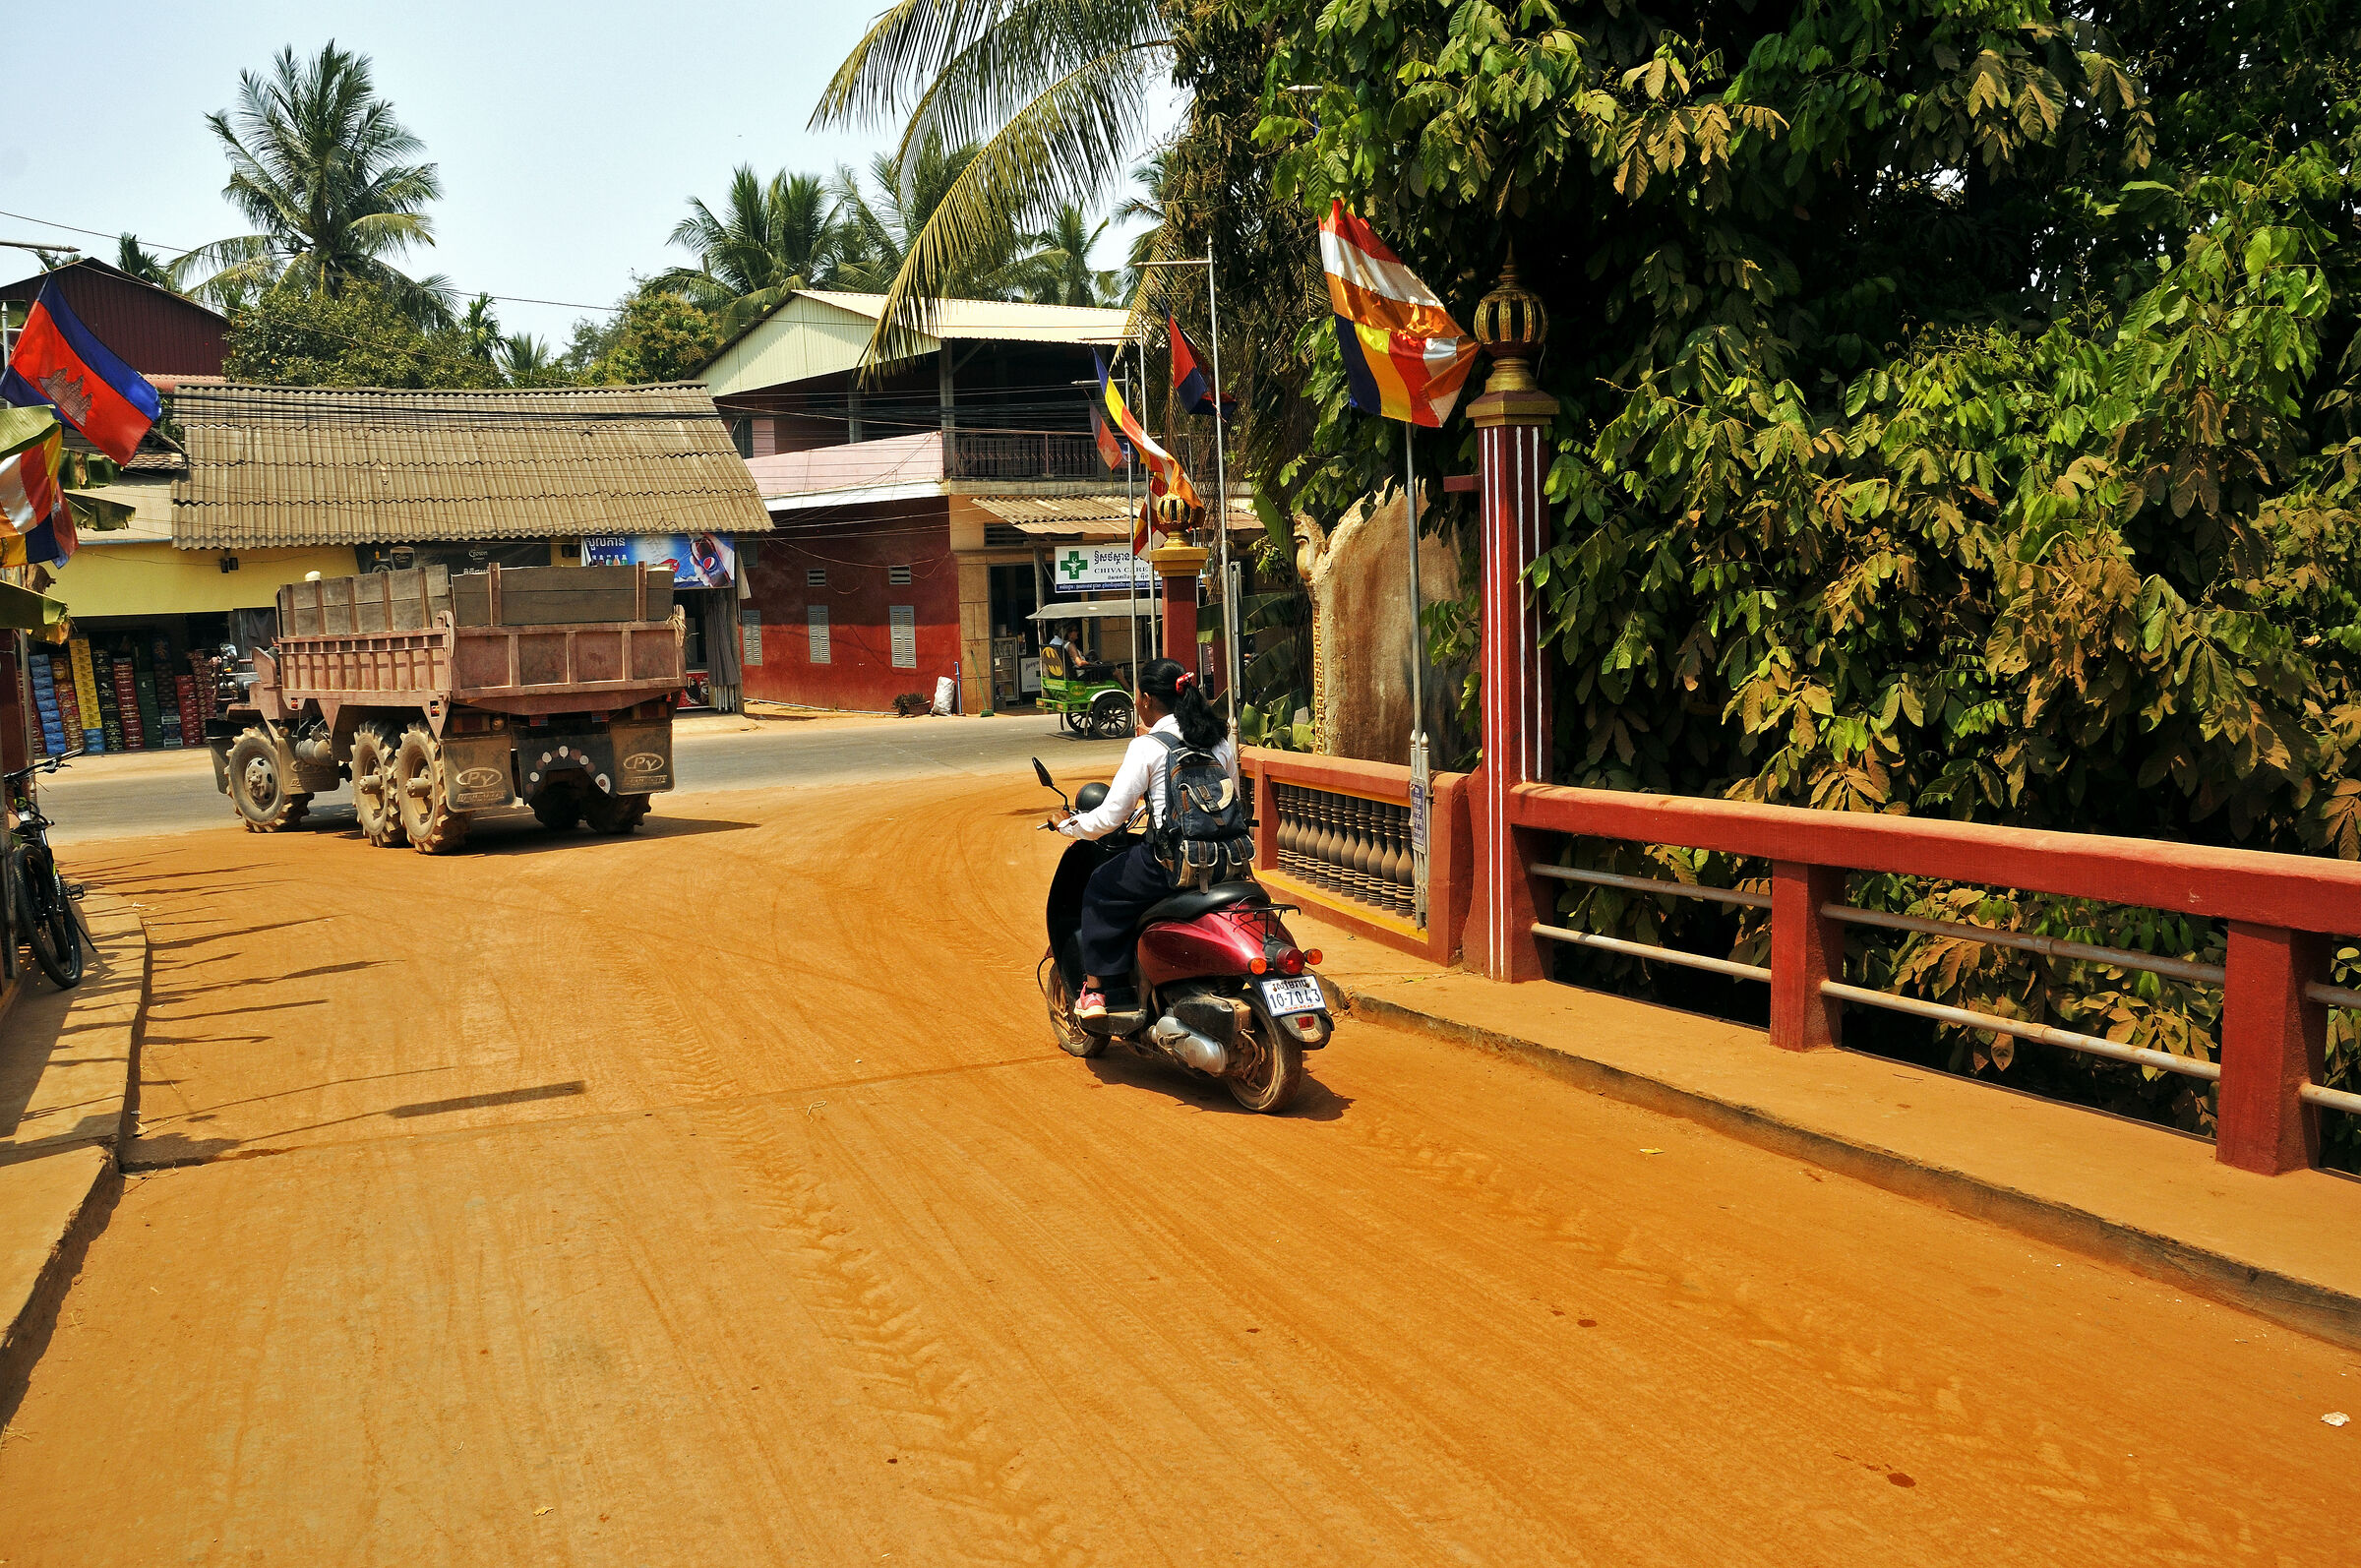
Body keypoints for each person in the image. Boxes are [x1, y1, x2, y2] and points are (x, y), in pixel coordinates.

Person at [1057, 656, 1237, 1021]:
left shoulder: (1147, 747)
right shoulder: (1220, 740)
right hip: (1228, 860)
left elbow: (1110, 817)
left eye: (1137, 696)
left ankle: (1094, 990)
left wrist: (1068, 826)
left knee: (1100, 889)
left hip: (1171, 865)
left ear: (1145, 699)